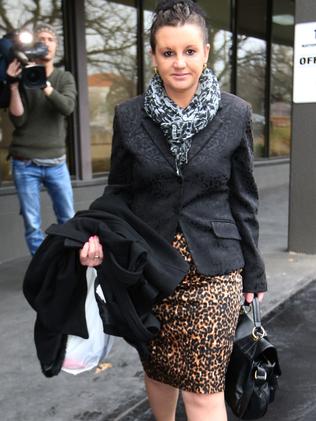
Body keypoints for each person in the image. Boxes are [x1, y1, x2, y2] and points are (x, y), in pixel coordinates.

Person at [80, 1, 267, 420]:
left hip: (214, 270)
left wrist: (254, 272)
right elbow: (119, 193)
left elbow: (244, 199)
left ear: (205, 52)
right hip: (150, 269)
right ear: (153, 56)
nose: (179, 63)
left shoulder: (235, 114)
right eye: (168, 52)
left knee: (203, 389)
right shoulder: (129, 117)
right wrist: (96, 239)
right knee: (161, 371)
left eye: (189, 51)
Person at [6, 23, 77, 255]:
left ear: (56, 46)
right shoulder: (24, 78)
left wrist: (44, 85)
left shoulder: (64, 77)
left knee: (67, 218)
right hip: (24, 162)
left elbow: (67, 107)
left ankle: (68, 266)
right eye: (41, 39)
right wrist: (14, 86)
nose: (45, 43)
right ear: (35, 46)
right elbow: (18, 120)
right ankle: (42, 271)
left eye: (50, 39)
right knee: (32, 225)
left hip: (56, 162)